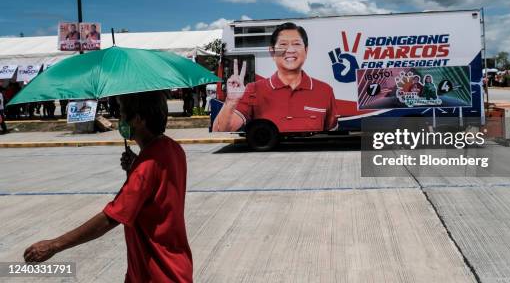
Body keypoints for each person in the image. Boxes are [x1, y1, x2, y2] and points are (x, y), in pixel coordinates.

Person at [23, 91, 193, 282]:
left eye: (122, 113)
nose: (120, 120)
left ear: (138, 119)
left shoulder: (146, 167)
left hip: (158, 272)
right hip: (173, 265)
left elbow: (111, 218)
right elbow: (155, 199)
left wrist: (55, 245)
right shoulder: (172, 149)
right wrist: (135, 167)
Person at [213, 22, 338, 132]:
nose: (290, 50)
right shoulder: (253, 89)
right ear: (272, 52)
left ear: (306, 51)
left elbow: (331, 130)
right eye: (283, 44)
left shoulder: (325, 91)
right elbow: (221, 130)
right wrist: (231, 102)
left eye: (296, 44)